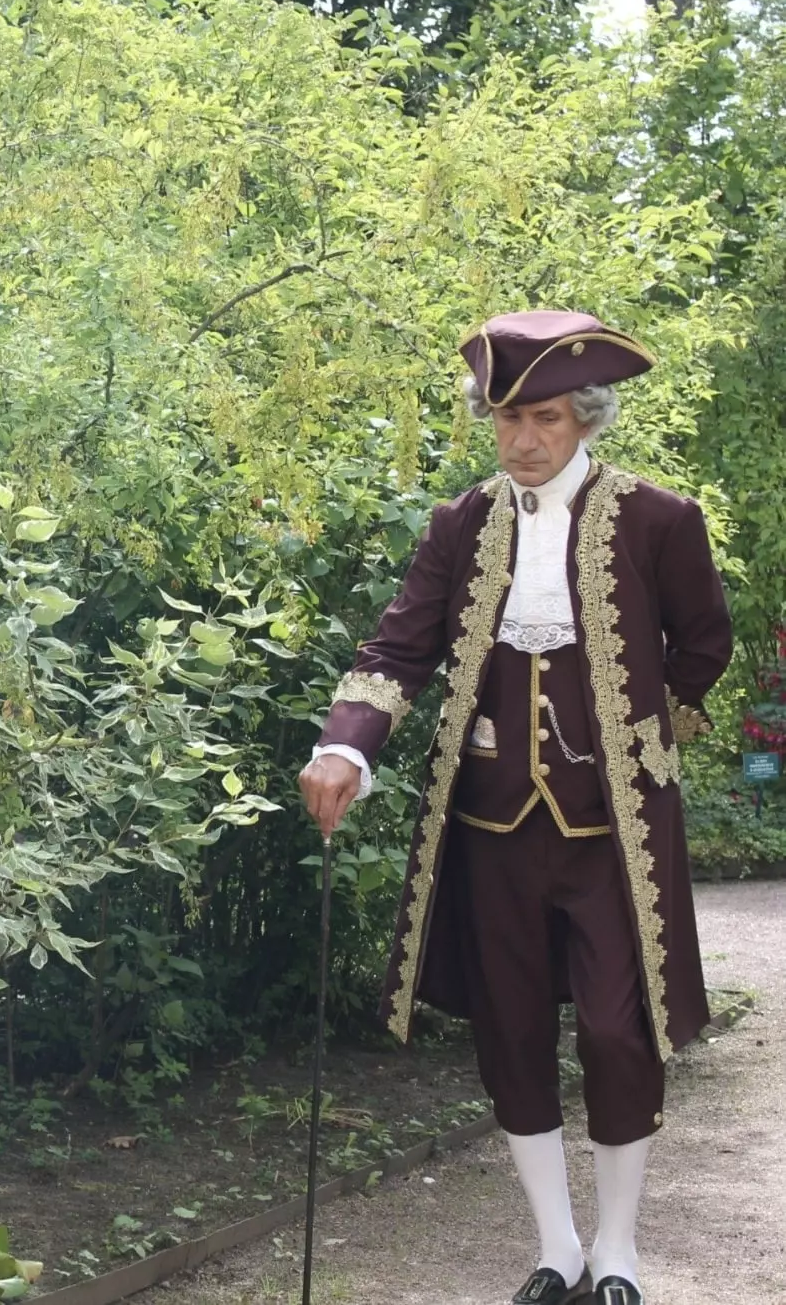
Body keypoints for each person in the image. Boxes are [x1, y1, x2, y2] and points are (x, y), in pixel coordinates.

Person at [299, 310, 733, 1305]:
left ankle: (617, 1246)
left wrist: (644, 732)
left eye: (544, 417)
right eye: (506, 418)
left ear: (585, 418)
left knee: (619, 1031)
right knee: (509, 1032)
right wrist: (342, 746)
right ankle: (557, 1245)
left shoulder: (659, 519)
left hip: (611, 831)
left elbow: (703, 644)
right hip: (491, 825)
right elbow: (398, 647)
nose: (523, 439)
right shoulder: (459, 524)